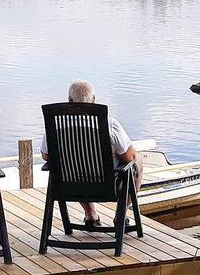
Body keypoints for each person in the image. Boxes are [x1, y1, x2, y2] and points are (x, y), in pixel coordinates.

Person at [41, 79, 140, 225]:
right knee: (138, 162)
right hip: (107, 185)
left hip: (68, 185)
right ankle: (120, 215)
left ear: (69, 100)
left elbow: (46, 156)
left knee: (74, 169)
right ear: (93, 100)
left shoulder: (55, 125)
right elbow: (129, 157)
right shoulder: (109, 124)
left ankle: (90, 215)